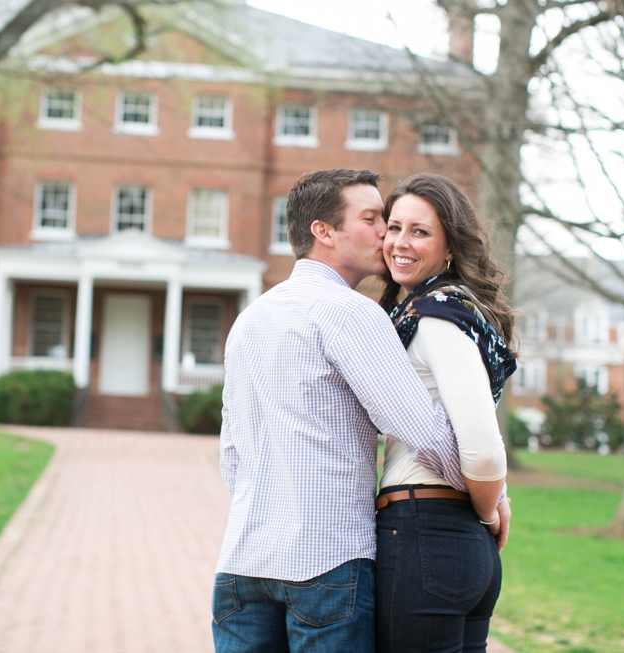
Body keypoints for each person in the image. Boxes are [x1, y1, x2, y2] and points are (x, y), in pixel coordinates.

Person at [212, 169, 471, 652]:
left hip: (241, 564)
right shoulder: (352, 313)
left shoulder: (249, 320)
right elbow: (425, 433)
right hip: (327, 564)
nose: (386, 234)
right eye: (373, 219)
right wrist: (486, 495)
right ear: (323, 232)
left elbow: (231, 452)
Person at [375, 173, 517, 653]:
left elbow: (482, 449)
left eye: (420, 231)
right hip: (451, 544)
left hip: (425, 536)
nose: (400, 242)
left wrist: (489, 509)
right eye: (394, 227)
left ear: (450, 247)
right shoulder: (435, 311)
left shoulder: (435, 316)